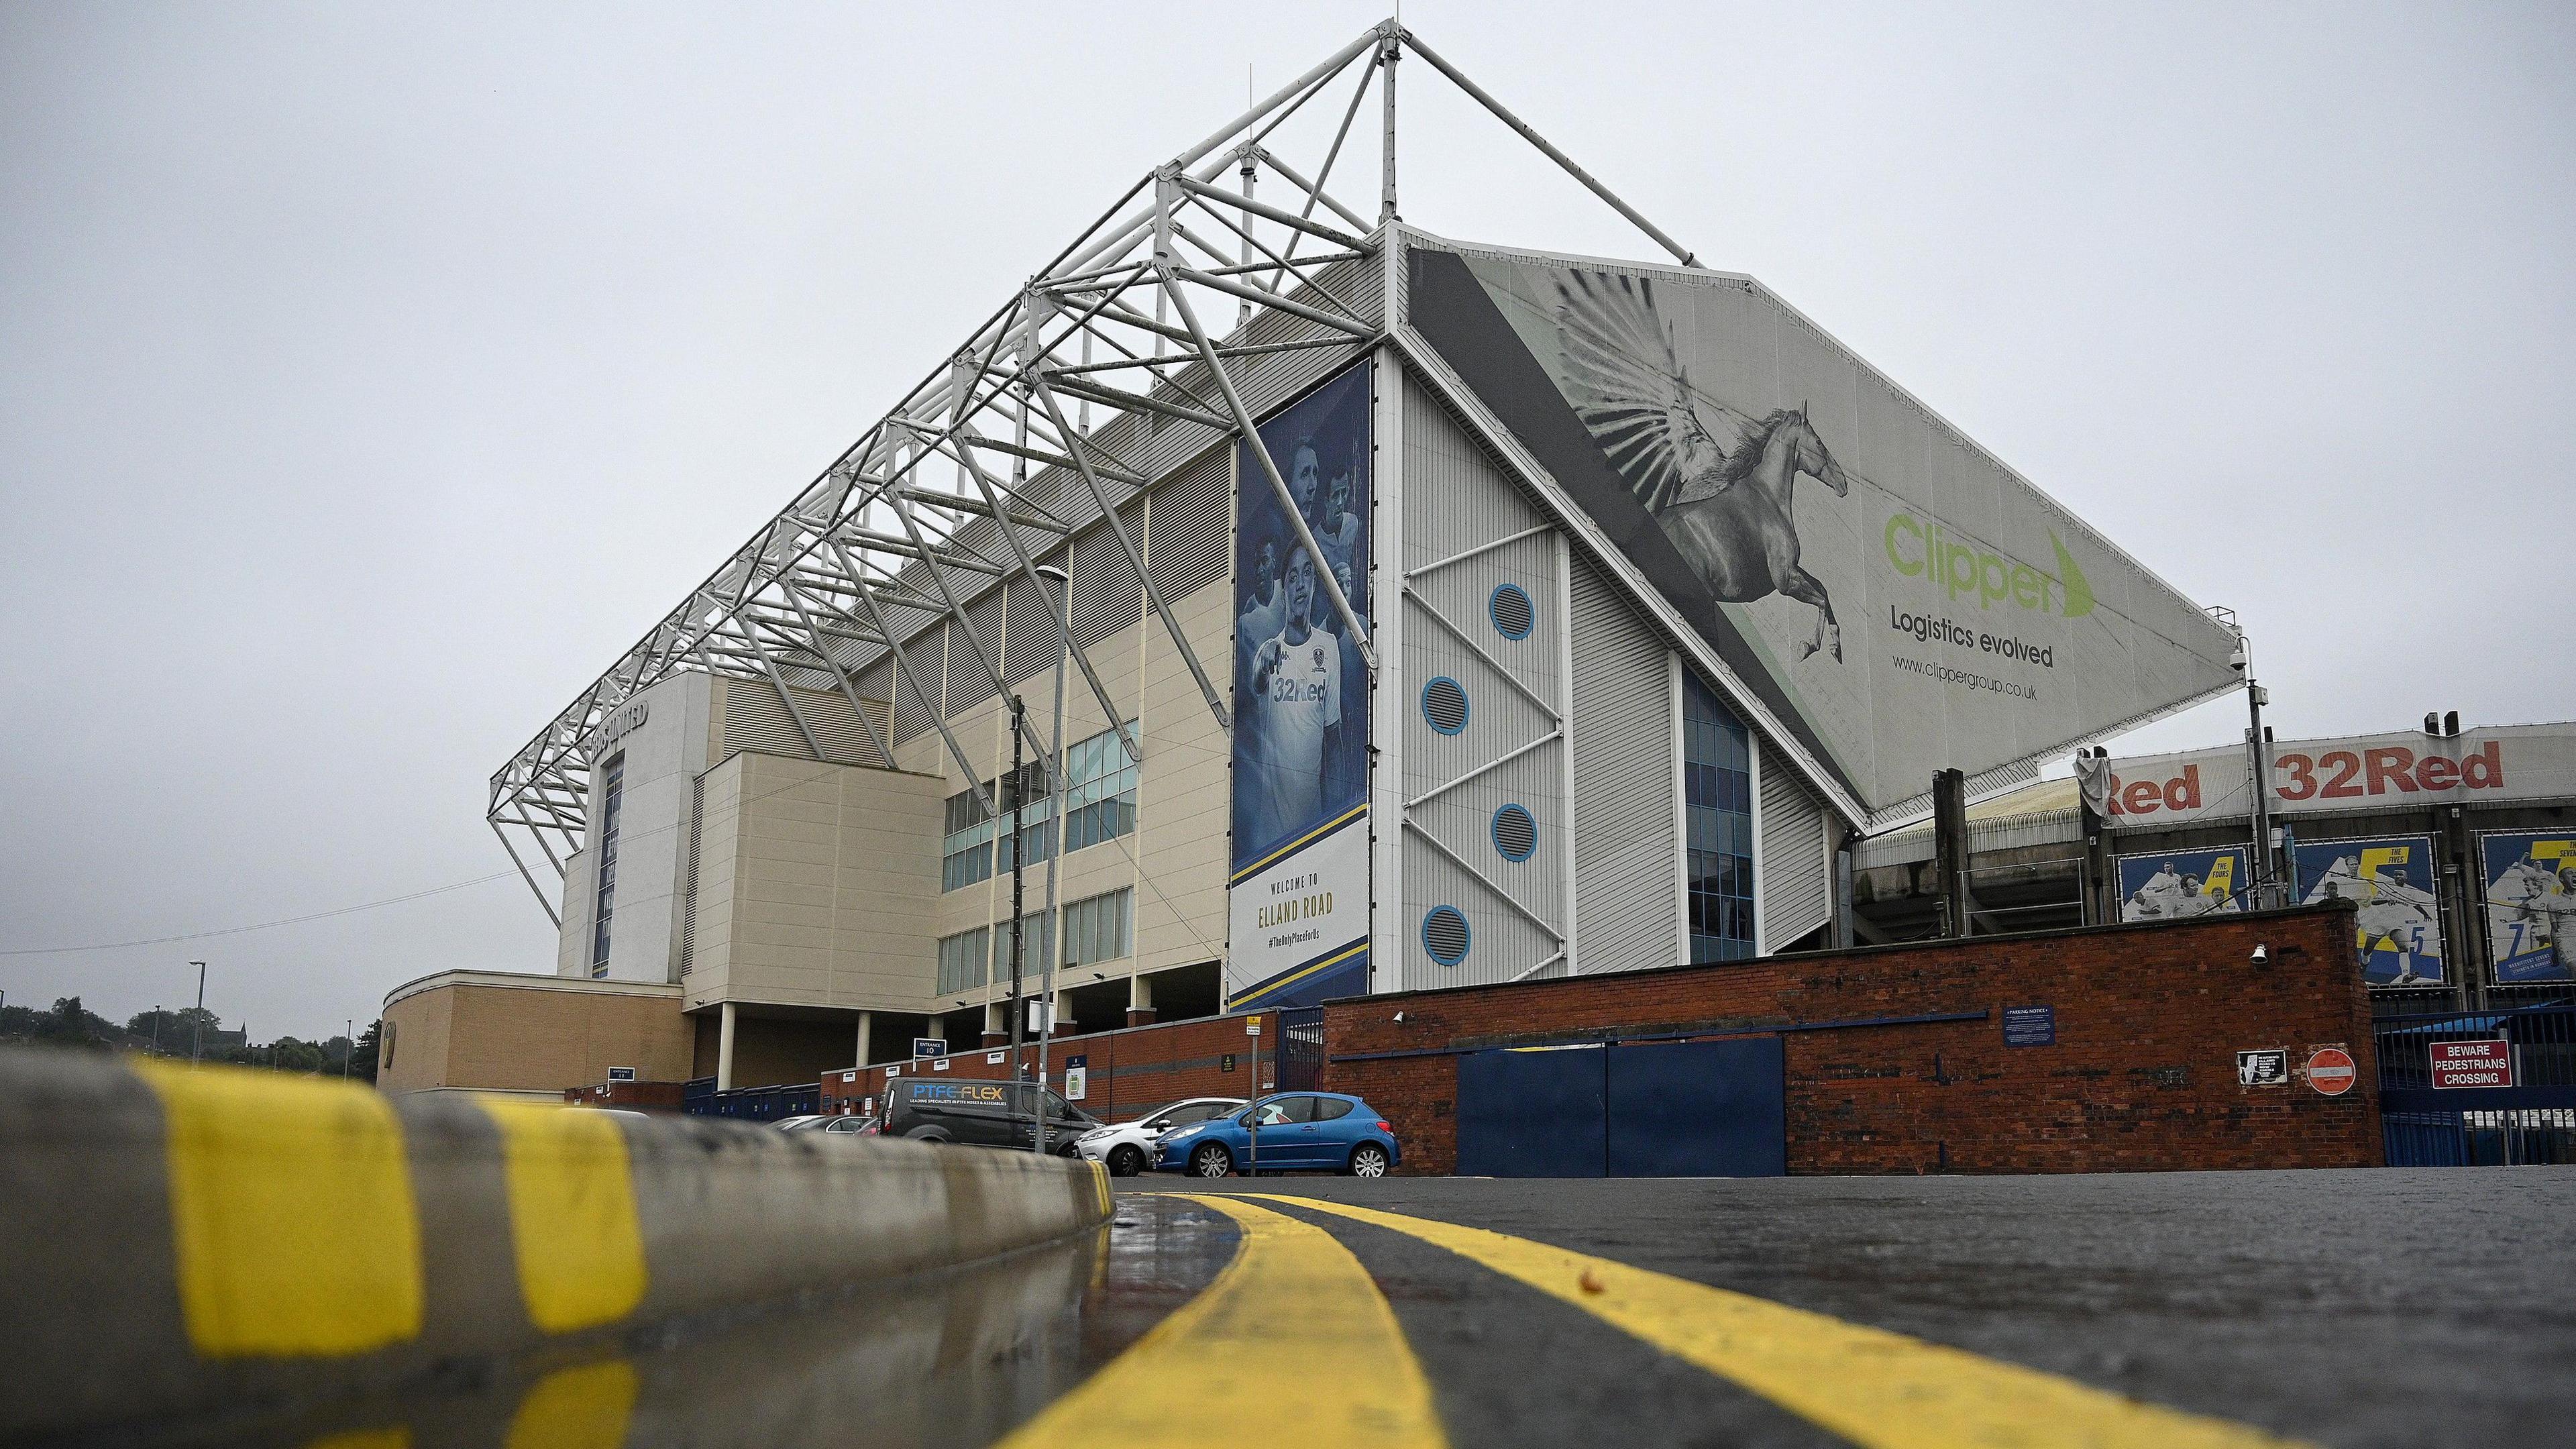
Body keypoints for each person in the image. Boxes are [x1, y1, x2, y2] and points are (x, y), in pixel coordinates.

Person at [1245, 545, 1341, 845]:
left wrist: (1335, 820)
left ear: (1314, 584)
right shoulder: (1269, 651)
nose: (1300, 584)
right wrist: (1264, 661)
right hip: (1270, 837)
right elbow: (1258, 679)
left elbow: (1333, 741)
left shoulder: (1328, 648)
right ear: (1283, 587)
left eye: (1308, 574)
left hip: (1313, 828)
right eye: (1293, 576)